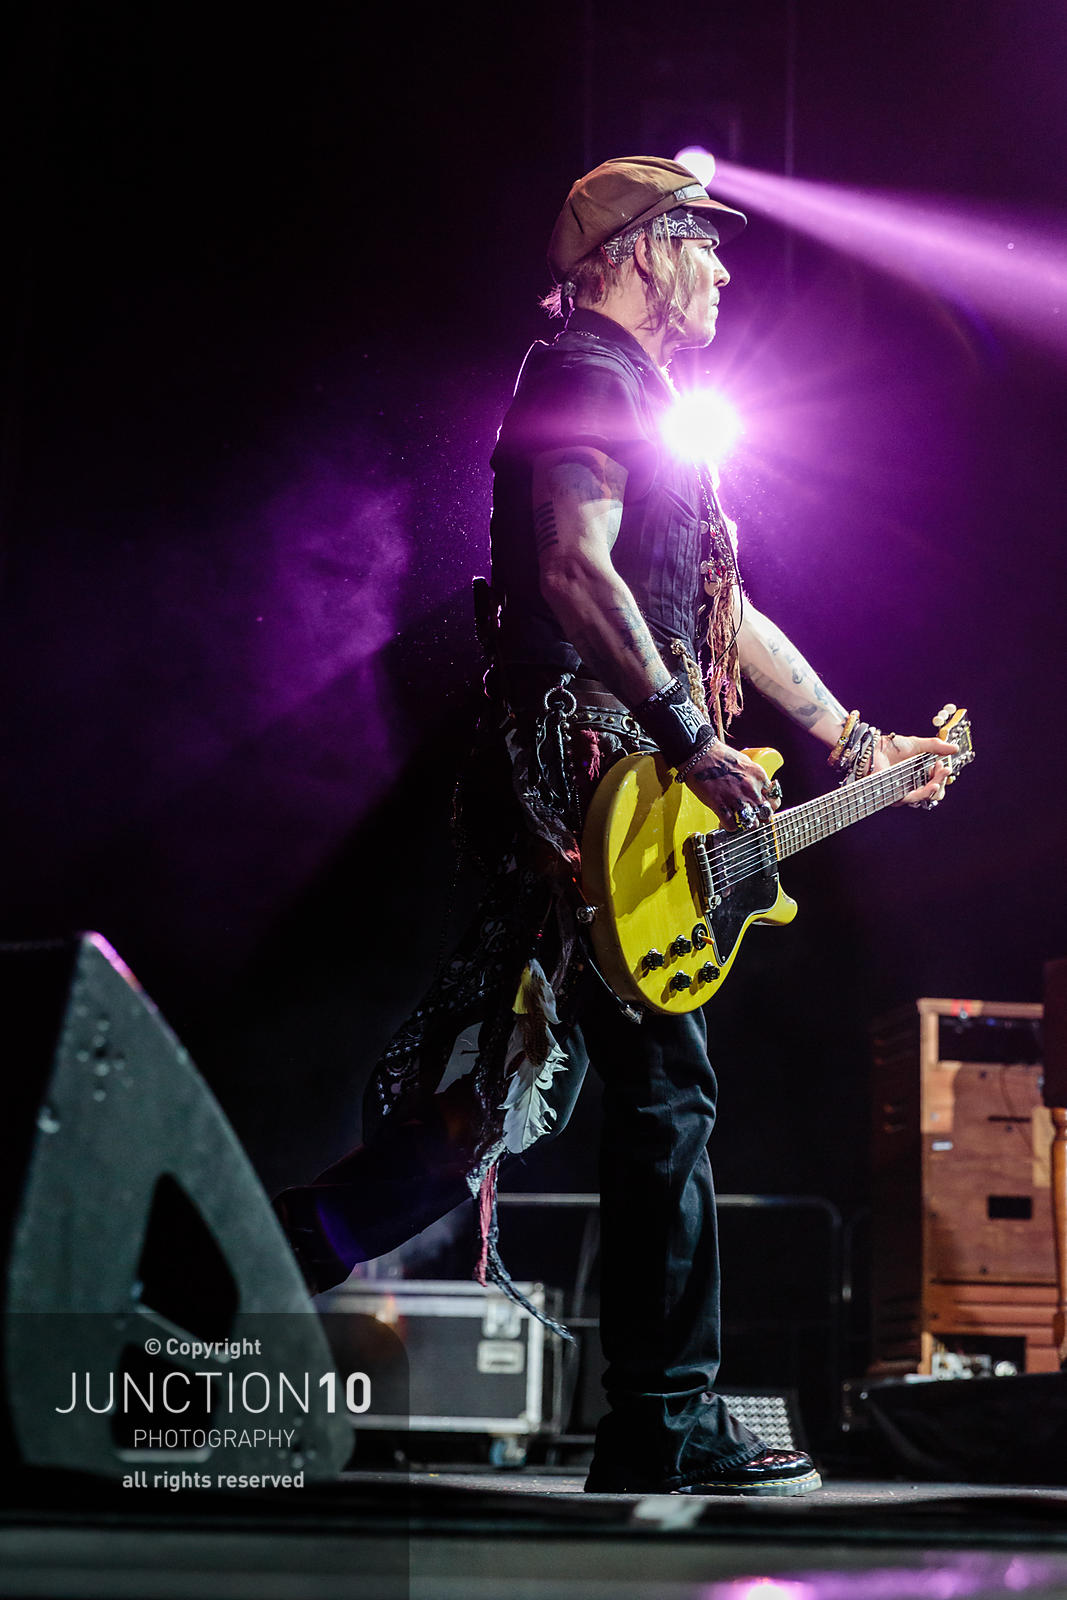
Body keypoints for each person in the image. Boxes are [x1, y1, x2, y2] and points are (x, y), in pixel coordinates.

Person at [274, 156, 954, 1496]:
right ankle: (661, 1414)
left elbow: (722, 612)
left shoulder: (648, 399)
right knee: (660, 1089)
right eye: (702, 242)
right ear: (640, 250)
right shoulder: (584, 374)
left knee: (503, 1097)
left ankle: (243, 1258)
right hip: (584, 781)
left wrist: (854, 740)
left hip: (620, 784)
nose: (724, 269)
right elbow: (573, 568)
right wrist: (690, 735)